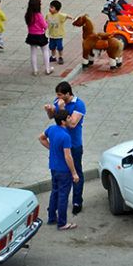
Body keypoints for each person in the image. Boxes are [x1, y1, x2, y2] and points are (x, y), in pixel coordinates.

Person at [46, 81, 87, 215]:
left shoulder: (78, 104)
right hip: (60, 142)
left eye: (60, 95)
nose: (58, 97)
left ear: (68, 93)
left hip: (73, 144)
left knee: (76, 172)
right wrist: (50, 110)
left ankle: (77, 201)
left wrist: (62, 109)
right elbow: (53, 117)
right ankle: (56, 203)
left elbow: (73, 124)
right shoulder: (58, 101)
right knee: (58, 174)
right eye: (57, 95)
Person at [38, 110, 80, 230]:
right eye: (68, 118)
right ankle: (62, 223)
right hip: (64, 170)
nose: (70, 119)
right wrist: (74, 173)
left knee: (54, 192)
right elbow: (68, 156)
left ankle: (52, 217)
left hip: (53, 167)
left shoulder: (51, 129)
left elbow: (41, 138)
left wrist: (51, 149)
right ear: (63, 121)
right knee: (63, 196)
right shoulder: (65, 136)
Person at [25, 0, 51, 76]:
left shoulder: (28, 15)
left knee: (33, 52)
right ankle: (47, 68)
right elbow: (45, 26)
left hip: (31, 35)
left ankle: (35, 70)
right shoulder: (39, 15)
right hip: (40, 35)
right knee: (45, 51)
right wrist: (47, 23)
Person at [47, 0, 73, 66]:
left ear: (57, 9)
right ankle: (53, 56)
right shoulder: (48, 15)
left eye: (52, 7)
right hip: (51, 35)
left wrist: (73, 18)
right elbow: (45, 22)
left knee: (59, 47)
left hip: (59, 35)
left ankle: (60, 57)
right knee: (51, 47)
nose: (50, 9)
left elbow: (66, 16)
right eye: (50, 7)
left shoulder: (60, 15)